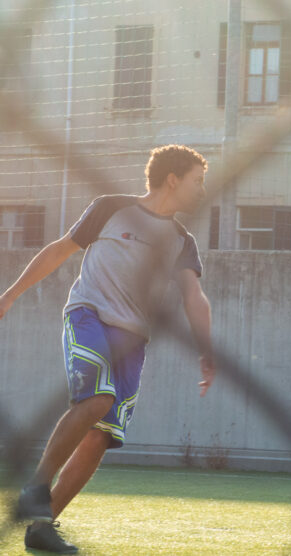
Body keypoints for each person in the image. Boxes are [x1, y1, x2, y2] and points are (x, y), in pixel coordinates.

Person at [2, 145, 216, 554]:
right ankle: (36, 486)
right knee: (98, 398)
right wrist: (10, 294)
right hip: (89, 318)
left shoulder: (180, 240)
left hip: (133, 341)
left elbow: (194, 295)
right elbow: (59, 250)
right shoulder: (111, 208)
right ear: (173, 179)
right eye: (198, 182)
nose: (203, 191)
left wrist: (206, 349)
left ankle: (41, 527)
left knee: (102, 436)